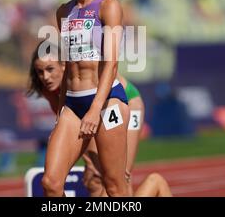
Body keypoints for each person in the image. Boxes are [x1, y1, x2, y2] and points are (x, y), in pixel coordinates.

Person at [41, 0, 130, 197]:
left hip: (106, 102)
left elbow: (112, 63)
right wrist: (61, 108)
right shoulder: (63, 12)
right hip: (73, 104)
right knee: (51, 183)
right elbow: (69, 65)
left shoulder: (108, 6)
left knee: (114, 185)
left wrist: (95, 109)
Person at [28, 41, 172, 197]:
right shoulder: (48, 89)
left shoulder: (87, 73)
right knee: (94, 177)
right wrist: (89, 160)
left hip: (122, 103)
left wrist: (94, 161)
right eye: (39, 72)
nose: (45, 77)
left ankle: (155, 184)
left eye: (50, 69)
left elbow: (105, 106)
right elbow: (74, 127)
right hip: (94, 111)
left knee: (120, 175)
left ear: (65, 65)